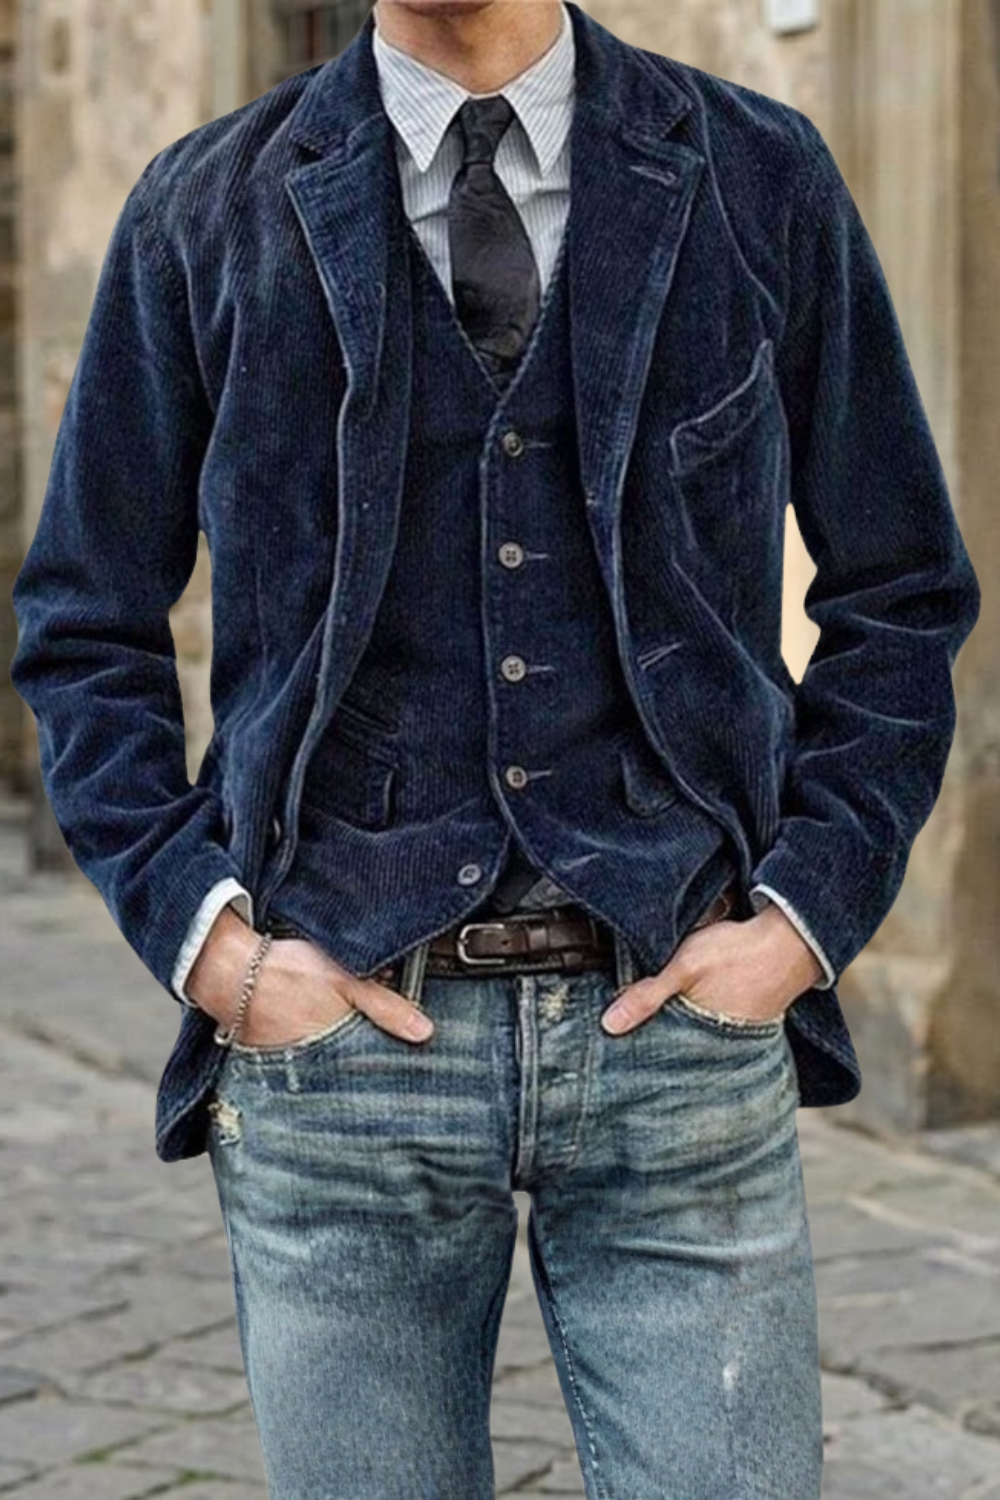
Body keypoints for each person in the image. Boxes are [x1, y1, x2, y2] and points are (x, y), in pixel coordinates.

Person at [10, 1, 980, 1495]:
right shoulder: (205, 207)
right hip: (339, 1044)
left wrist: (799, 922)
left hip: (677, 1033)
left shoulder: (756, 174)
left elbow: (901, 589)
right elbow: (86, 624)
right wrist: (217, 953)